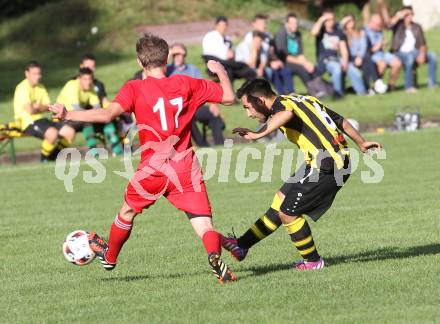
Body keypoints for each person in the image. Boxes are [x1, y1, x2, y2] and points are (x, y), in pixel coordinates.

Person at [49, 34, 237, 283]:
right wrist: (220, 71)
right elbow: (229, 97)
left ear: (140, 62)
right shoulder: (186, 83)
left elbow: (107, 115)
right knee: (204, 226)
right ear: (167, 59)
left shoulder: (135, 88)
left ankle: (111, 258)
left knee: (127, 212)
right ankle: (213, 254)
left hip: (153, 169)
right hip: (185, 167)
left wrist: (67, 114)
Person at [222, 78, 381, 270]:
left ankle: (313, 261)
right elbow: (341, 121)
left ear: (260, 101)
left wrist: (258, 135)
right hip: (324, 160)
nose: (248, 114)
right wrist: (361, 142)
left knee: (288, 213)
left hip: (329, 165)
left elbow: (286, 114)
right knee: (280, 201)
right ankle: (241, 245)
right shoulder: (302, 98)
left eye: (248, 107)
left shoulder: (284, 106)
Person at [13, 61, 74, 162]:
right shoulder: (22, 88)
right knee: (52, 133)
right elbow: (30, 110)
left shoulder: (41, 87)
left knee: (69, 132)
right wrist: (39, 107)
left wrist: (38, 106)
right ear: (27, 73)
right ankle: (43, 159)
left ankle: (53, 157)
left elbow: (48, 107)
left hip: (41, 119)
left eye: (39, 73)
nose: (38, 76)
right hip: (26, 122)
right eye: (34, 74)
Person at [167, 43, 225, 146]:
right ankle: (203, 146)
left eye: (180, 54)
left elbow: (204, 88)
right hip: (179, 109)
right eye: (175, 55)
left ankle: (220, 146)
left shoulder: (192, 69)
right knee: (187, 119)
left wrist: (213, 104)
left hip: (194, 105)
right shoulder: (168, 70)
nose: (178, 57)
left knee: (213, 114)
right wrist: (170, 53)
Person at [57, 68, 123, 156]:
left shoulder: (90, 87)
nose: (88, 82)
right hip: (62, 117)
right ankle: (94, 152)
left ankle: (118, 151)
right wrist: (94, 115)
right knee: (87, 122)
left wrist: (102, 116)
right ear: (79, 79)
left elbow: (98, 108)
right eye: (85, 79)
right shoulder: (72, 86)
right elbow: (76, 109)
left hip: (76, 116)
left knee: (106, 120)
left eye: (90, 79)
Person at [311, 9, 366, 96]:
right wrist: (322, 19)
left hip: (337, 59)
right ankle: (338, 95)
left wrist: (345, 61)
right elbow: (313, 32)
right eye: (327, 20)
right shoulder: (321, 31)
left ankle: (362, 93)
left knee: (353, 70)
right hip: (325, 60)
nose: (330, 21)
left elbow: (343, 49)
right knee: (337, 69)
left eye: (331, 19)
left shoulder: (338, 32)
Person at [390, 6, 437, 93]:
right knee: (409, 59)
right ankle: (409, 86)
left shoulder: (417, 27)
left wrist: (422, 54)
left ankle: (432, 83)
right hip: (400, 52)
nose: (410, 16)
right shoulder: (398, 25)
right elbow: (389, 25)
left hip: (415, 51)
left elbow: (423, 43)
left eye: (411, 14)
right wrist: (400, 15)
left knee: (433, 56)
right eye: (407, 15)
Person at [341, 14, 388, 94]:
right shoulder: (343, 35)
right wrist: (356, 58)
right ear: (345, 24)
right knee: (368, 59)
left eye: (352, 20)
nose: (351, 23)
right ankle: (376, 82)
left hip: (361, 56)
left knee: (367, 60)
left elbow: (363, 46)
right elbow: (346, 51)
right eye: (348, 22)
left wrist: (359, 56)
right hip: (350, 57)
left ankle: (370, 87)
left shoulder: (361, 32)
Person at [202, 16, 256, 82]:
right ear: (216, 26)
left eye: (224, 26)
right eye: (220, 26)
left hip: (229, 63)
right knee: (228, 71)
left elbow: (232, 52)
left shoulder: (227, 38)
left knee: (250, 72)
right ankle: (229, 92)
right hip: (216, 62)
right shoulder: (210, 36)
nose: (223, 28)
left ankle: (247, 90)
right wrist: (226, 54)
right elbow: (212, 52)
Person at [274, 12, 315, 92]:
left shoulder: (297, 34)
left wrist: (306, 63)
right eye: (292, 23)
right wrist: (302, 63)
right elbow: (284, 56)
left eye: (296, 23)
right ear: (287, 24)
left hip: (294, 60)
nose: (295, 25)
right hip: (283, 61)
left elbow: (300, 54)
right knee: (301, 68)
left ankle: (320, 89)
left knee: (311, 67)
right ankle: (313, 90)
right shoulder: (281, 34)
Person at [364, 13, 401, 91]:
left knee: (397, 63)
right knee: (382, 64)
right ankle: (375, 86)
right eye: (378, 25)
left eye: (380, 25)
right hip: (371, 54)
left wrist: (383, 44)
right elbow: (368, 50)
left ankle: (391, 85)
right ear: (372, 23)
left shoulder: (379, 30)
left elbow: (389, 26)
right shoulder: (364, 32)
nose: (380, 27)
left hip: (381, 53)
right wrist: (379, 44)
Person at [243, 14, 271, 78]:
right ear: (254, 24)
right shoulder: (249, 38)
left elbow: (264, 57)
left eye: (264, 23)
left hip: (261, 64)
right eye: (260, 24)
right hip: (249, 64)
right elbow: (249, 62)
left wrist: (261, 68)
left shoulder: (267, 37)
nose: (264, 26)